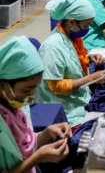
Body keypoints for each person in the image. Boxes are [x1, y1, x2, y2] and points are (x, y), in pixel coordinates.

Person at [35, 0, 105, 128]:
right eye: (86, 25)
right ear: (71, 22)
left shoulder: (72, 38)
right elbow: (56, 86)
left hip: (78, 99)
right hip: (64, 112)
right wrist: (91, 78)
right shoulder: (52, 47)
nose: (87, 29)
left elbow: (71, 59)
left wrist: (89, 58)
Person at [0, 36, 71, 172]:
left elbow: (24, 143)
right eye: (27, 90)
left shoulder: (14, 106)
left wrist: (45, 135)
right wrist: (37, 157)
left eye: (35, 88)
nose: (32, 97)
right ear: (4, 85)